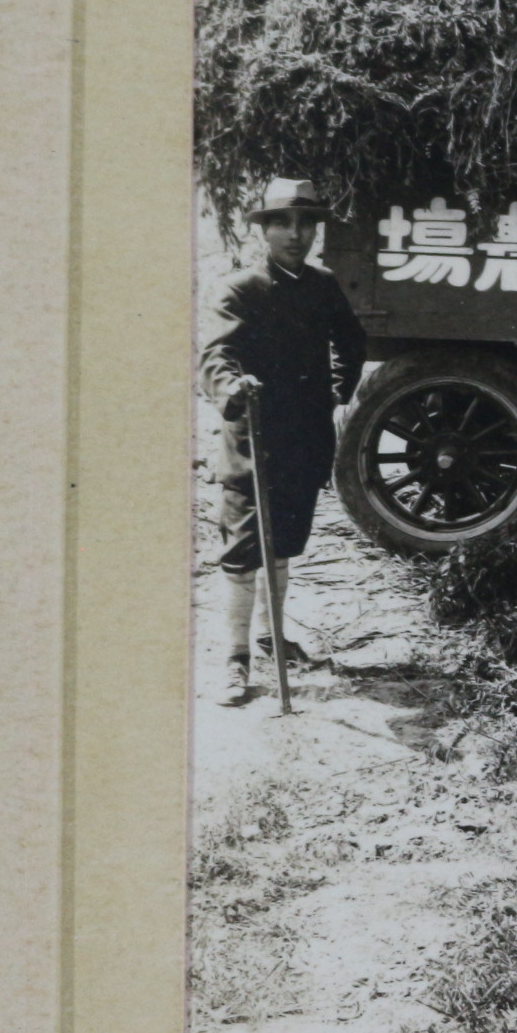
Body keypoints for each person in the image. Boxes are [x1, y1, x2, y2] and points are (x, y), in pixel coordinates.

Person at [197, 178, 367, 705]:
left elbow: (350, 340)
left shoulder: (322, 285)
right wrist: (235, 387)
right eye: (283, 223)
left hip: (305, 439)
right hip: (254, 440)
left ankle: (272, 639)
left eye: (306, 223)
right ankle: (235, 659)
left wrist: (336, 391)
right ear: (264, 229)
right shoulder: (240, 289)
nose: (296, 234)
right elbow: (215, 358)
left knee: (286, 542)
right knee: (245, 548)